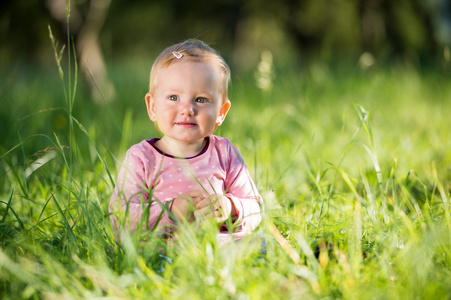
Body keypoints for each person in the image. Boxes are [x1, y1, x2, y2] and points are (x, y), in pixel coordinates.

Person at [109, 39, 263, 246]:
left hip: (220, 247)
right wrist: (170, 211)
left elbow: (256, 208)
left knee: (263, 242)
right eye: (173, 97)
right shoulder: (142, 157)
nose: (187, 109)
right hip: (164, 251)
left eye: (200, 99)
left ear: (221, 113)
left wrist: (230, 207)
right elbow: (121, 218)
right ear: (152, 107)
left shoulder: (225, 153)